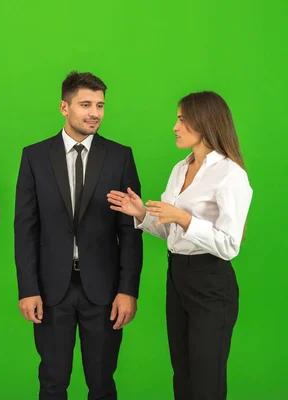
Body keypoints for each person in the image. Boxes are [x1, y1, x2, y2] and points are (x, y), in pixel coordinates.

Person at [107, 91, 253, 400]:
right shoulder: (179, 169)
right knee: (183, 378)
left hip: (211, 284)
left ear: (205, 123)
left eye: (182, 119)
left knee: (206, 382)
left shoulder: (230, 175)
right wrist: (143, 215)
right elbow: (172, 234)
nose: (175, 126)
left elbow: (229, 245)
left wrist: (185, 219)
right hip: (177, 280)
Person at [14, 71, 143, 399]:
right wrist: (27, 289)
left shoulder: (119, 156)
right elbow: (25, 228)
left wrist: (128, 290)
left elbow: (130, 232)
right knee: (53, 382)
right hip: (50, 290)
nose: (94, 113)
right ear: (64, 107)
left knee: (101, 382)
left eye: (100, 105)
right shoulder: (34, 156)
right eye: (85, 104)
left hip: (104, 291)